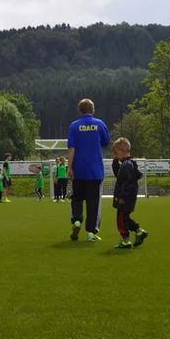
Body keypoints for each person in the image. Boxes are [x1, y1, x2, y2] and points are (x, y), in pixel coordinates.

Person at [67, 98, 110, 241]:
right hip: (95, 169)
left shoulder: (74, 126)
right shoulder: (99, 124)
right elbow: (106, 142)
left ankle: (77, 220)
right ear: (93, 110)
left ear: (80, 111)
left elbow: (71, 148)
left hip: (79, 168)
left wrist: (69, 168)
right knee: (94, 202)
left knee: (77, 197)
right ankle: (92, 232)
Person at [111, 137, 148, 249]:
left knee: (121, 220)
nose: (116, 156)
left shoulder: (127, 165)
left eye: (116, 153)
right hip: (128, 197)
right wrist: (115, 164)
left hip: (126, 198)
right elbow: (119, 176)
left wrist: (123, 196)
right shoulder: (126, 164)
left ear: (123, 151)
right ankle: (139, 231)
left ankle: (126, 240)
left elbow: (128, 182)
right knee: (125, 218)